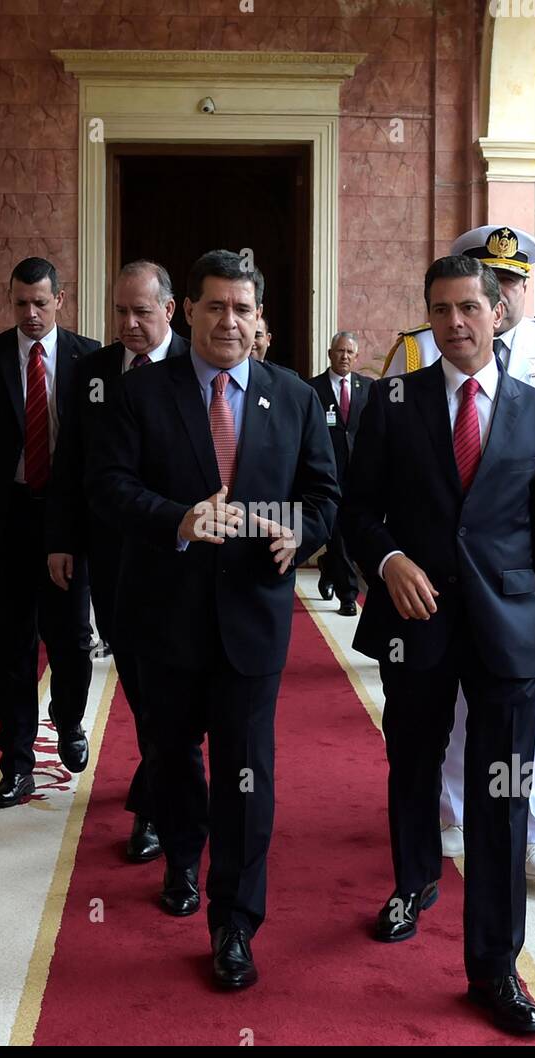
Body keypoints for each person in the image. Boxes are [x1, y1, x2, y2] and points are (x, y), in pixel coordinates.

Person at [342, 255, 535, 1034]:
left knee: (502, 794)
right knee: (412, 765)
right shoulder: (393, 401)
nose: (455, 322)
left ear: (497, 312)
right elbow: (355, 509)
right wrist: (388, 559)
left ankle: (495, 968)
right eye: (440, 309)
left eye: (469, 308)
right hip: (417, 624)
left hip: (510, 632)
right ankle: (412, 884)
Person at [89, 249, 339, 989]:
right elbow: (108, 488)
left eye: (243, 308)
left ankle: (234, 922)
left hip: (253, 625)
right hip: (162, 619)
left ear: (260, 317)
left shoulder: (292, 398)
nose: (229, 320)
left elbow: (325, 498)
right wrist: (179, 520)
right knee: (170, 758)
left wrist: (302, 530)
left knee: (245, 773)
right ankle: (180, 858)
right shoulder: (140, 394)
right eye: (215, 306)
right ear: (187, 311)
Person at [388, 225, 535, 879]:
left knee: (529, 707)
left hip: (523, 563)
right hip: (441, 568)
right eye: (491, 279)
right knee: (446, 702)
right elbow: (396, 464)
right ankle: (451, 815)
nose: (501, 293)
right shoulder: (419, 349)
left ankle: (531, 833)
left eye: (512, 281)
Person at [0, 258, 100, 808]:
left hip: (67, 523)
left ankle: (70, 719)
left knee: (72, 640)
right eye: (20, 303)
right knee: (9, 647)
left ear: (61, 300)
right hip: (4, 523)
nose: (30, 314)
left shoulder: (89, 360)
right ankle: (17, 763)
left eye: (40, 303)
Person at [47, 260, 189, 863]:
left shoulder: (194, 366)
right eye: (120, 312)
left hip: (182, 556)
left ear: (170, 310)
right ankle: (159, 780)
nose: (129, 324)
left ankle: (156, 805)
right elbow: (70, 462)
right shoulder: (93, 372)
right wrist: (61, 538)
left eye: (142, 312)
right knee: (136, 679)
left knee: (170, 686)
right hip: (113, 557)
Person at [306, 331, 368, 615]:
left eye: (350, 352)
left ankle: (329, 567)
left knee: (351, 532)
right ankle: (348, 595)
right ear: (330, 354)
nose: (344, 356)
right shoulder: (311, 389)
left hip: (359, 473)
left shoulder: (368, 388)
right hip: (326, 472)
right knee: (338, 531)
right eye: (339, 351)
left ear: (356, 357)